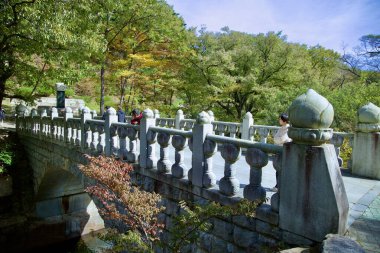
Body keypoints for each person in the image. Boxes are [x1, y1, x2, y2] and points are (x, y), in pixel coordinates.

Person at [272, 113, 292, 191]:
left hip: (284, 152)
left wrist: (279, 140)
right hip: (278, 151)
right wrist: (279, 140)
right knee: (278, 169)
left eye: (280, 119)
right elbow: (276, 139)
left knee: (282, 169)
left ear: (284, 121)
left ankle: (280, 186)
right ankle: (278, 185)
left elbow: (284, 139)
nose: (279, 120)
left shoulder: (288, 129)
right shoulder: (281, 128)